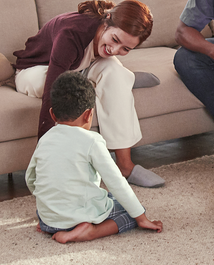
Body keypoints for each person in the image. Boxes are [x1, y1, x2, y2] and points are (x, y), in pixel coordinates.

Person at [13, 0, 165, 188]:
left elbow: (108, 53)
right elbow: (52, 96)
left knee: (114, 72)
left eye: (125, 49)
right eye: (115, 40)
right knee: (65, 86)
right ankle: (119, 81)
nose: (114, 50)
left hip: (80, 67)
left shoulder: (107, 43)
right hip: (36, 71)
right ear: (106, 20)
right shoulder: (71, 34)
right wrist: (45, 160)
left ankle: (125, 167)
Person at [26, 71, 163, 243]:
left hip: (48, 220)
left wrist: (47, 206)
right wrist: (142, 218)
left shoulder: (45, 139)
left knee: (107, 198)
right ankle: (89, 231)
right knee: (132, 212)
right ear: (89, 114)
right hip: (78, 217)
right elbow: (116, 182)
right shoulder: (92, 140)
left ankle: (52, 223)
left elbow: (30, 177)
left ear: (53, 114)